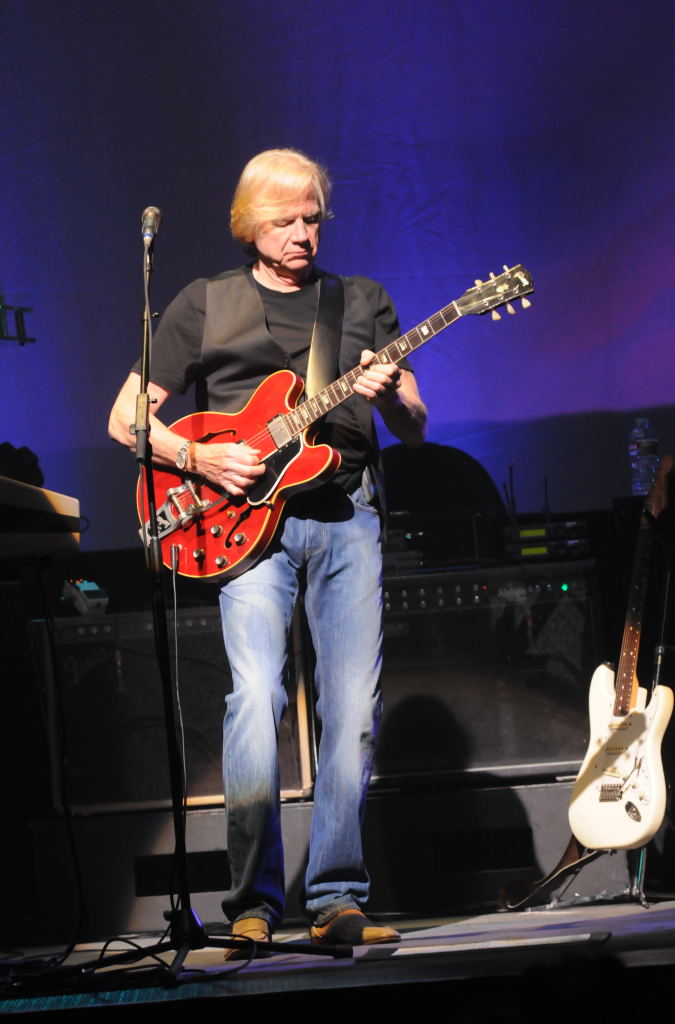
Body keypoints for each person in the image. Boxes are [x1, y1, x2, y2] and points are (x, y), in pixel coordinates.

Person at [109, 148, 427, 949]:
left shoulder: (362, 302)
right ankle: (252, 902)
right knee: (254, 701)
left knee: (351, 710)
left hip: (346, 515)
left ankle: (337, 898)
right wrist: (201, 458)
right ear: (249, 225)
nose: (303, 234)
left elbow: (417, 425)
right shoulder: (204, 303)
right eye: (284, 221)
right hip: (245, 528)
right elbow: (126, 419)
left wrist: (392, 393)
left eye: (313, 218)